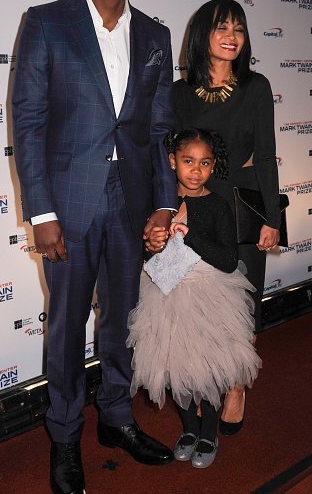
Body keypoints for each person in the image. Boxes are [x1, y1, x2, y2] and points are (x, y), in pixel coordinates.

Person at [12, 0, 178, 494]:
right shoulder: (47, 23)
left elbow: (160, 130)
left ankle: (117, 419)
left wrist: (164, 201)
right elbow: (28, 124)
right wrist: (41, 213)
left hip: (131, 206)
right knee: (65, 328)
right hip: (68, 208)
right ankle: (63, 435)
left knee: (124, 321)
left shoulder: (156, 36)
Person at [171, 0, 281, 436]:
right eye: (222, 27)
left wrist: (272, 217)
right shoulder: (179, 93)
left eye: (238, 27)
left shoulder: (256, 87)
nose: (232, 35)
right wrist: (176, 205)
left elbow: (267, 155)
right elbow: (173, 155)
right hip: (198, 208)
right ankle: (202, 378)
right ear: (203, 35)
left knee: (243, 303)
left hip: (245, 206)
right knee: (202, 304)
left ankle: (236, 385)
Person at [127, 128, 261, 468]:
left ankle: (208, 432)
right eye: (188, 161)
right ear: (172, 162)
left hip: (209, 294)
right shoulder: (160, 205)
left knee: (209, 368)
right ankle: (189, 429)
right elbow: (146, 254)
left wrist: (190, 234)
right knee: (176, 366)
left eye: (204, 163)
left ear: (213, 166)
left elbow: (229, 260)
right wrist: (152, 244)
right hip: (165, 296)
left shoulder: (217, 205)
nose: (196, 170)